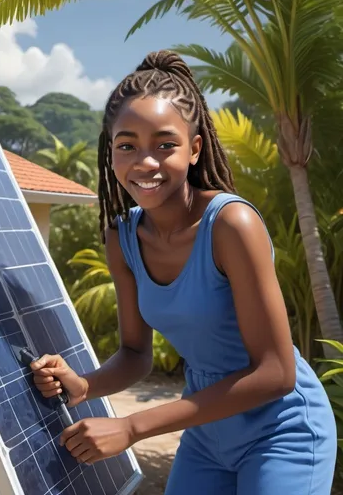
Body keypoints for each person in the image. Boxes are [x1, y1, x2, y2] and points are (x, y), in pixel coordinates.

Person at [30, 50, 337, 494]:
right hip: (209, 436)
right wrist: (83, 386)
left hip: (281, 429)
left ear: (194, 149)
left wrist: (132, 427)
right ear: (111, 151)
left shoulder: (231, 225)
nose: (145, 163)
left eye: (165, 144)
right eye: (127, 145)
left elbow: (276, 373)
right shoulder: (122, 237)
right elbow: (136, 354)